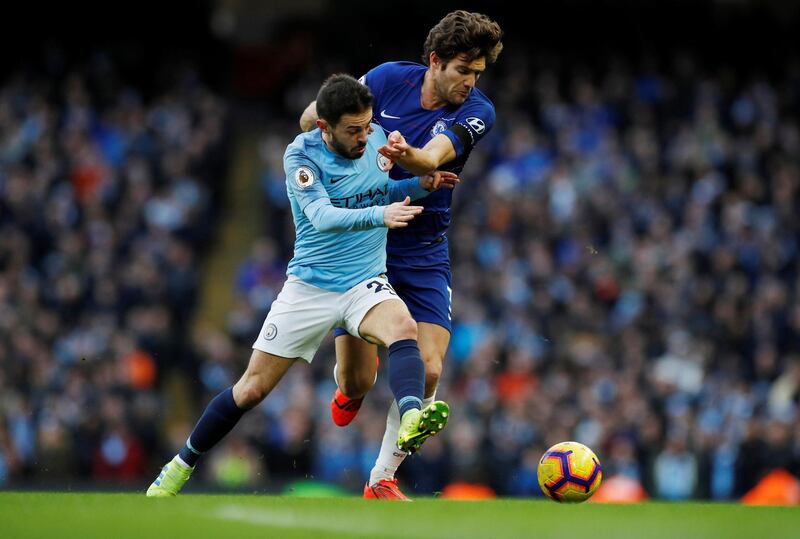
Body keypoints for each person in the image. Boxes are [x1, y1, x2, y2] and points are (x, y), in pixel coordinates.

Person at [146, 74, 458, 497]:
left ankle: (409, 417)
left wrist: (419, 185)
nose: (365, 137)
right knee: (251, 388)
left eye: (367, 126)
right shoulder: (301, 155)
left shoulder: (380, 138)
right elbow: (323, 216)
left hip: (365, 280)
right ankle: (180, 466)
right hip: (310, 288)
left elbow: (380, 188)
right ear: (324, 127)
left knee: (403, 326)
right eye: (353, 130)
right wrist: (380, 215)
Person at [299, 10, 503, 500]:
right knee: (360, 378)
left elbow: (431, 159)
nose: (470, 82)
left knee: (430, 369)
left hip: (425, 249)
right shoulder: (388, 79)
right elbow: (313, 117)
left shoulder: (477, 111)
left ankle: (382, 478)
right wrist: (330, 138)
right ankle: (348, 391)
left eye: (478, 73)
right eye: (462, 70)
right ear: (434, 61)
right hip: (367, 245)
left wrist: (398, 150)